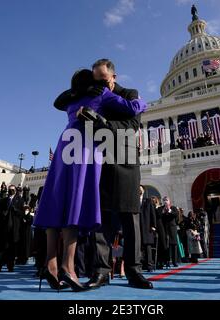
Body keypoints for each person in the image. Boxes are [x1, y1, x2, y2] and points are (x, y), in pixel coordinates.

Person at [34, 68, 147, 291]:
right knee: (79, 207)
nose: (102, 84)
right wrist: (143, 102)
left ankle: (52, 263)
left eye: (104, 80)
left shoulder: (75, 99)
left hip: (78, 146)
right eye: (97, 81)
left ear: (113, 76)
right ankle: (77, 268)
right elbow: (135, 108)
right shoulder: (100, 94)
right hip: (87, 148)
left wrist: (81, 98)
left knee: (60, 201)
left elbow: (132, 124)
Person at [0, 184, 24, 272]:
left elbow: (22, 214)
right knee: (0, 248)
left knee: (11, 249)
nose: (11, 191)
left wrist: (16, 210)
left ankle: (10, 266)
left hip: (14, 228)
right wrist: (2, 212)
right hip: (3, 228)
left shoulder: (20, 200)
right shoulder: (3, 200)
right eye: (10, 190)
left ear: (16, 190)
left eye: (13, 190)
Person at [139, 185, 157, 272]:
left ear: (143, 191)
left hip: (147, 227)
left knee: (148, 247)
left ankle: (150, 265)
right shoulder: (134, 200)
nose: (139, 189)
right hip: (138, 227)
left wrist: (153, 225)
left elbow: (152, 213)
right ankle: (141, 265)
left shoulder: (148, 200)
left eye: (140, 188)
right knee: (139, 247)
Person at [160, 196, 179, 267]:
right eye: (164, 200)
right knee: (166, 246)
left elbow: (176, 215)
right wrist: (163, 212)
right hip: (165, 229)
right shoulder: (162, 208)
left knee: (174, 245)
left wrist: (169, 210)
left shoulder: (173, 208)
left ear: (169, 201)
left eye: (166, 200)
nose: (165, 201)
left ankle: (174, 261)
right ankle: (167, 261)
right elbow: (160, 217)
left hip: (172, 229)